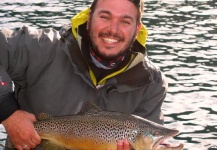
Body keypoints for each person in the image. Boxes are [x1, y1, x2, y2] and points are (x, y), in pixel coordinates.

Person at [0, 0, 168, 149]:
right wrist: (8, 112)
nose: (113, 29)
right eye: (105, 17)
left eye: (125, 21)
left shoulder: (151, 83)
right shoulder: (41, 48)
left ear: (137, 29)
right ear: (89, 18)